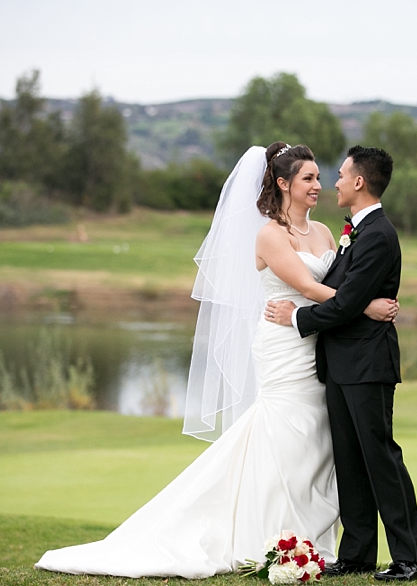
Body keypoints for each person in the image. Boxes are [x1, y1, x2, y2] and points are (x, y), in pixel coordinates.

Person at [34, 142, 397, 579]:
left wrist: (352, 302)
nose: (319, 185)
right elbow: (307, 286)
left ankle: (310, 541)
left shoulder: (324, 232)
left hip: (319, 345)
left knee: (318, 440)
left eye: (321, 177)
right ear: (283, 184)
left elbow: (341, 284)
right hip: (284, 341)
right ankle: (271, 535)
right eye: (309, 178)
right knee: (284, 433)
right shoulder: (270, 235)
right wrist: (366, 306)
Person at [265, 146, 417, 581]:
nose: (332, 183)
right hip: (340, 364)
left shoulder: (377, 235)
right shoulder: (357, 230)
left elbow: (346, 303)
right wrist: (363, 305)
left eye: (339, 175)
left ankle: (409, 557)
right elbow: (351, 297)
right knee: (350, 462)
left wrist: (296, 317)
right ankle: (356, 554)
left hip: (367, 364)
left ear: (359, 182)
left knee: (380, 459)